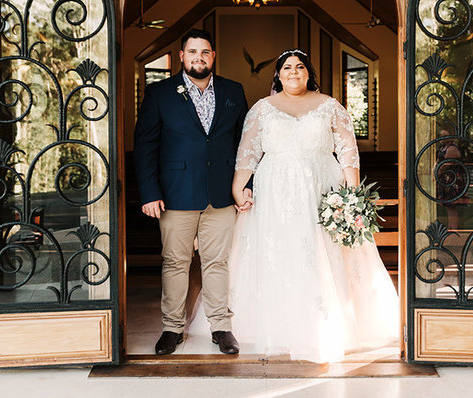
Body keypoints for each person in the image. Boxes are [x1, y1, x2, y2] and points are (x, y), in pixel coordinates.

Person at [225, 48, 399, 363]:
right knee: (280, 253)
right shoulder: (262, 109)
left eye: (300, 66)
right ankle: (279, 326)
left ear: (309, 73)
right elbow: (247, 151)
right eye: (287, 67)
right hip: (274, 191)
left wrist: (352, 195)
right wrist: (239, 187)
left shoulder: (330, 106)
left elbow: (348, 151)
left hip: (323, 188)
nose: (294, 72)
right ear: (277, 74)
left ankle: (329, 326)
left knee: (323, 253)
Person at [133, 28, 249, 355]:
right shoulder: (160, 93)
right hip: (174, 194)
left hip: (222, 195)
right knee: (175, 262)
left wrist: (245, 187)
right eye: (192, 52)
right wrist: (149, 193)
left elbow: (247, 145)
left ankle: (221, 327)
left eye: (205, 52)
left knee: (218, 263)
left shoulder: (233, 91)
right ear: (182, 56)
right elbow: (145, 147)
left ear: (213, 56)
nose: (199, 57)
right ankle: (172, 327)